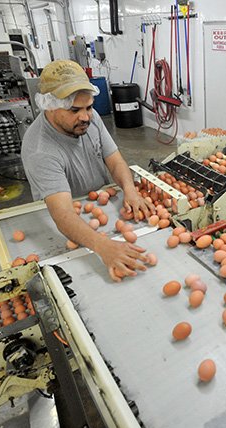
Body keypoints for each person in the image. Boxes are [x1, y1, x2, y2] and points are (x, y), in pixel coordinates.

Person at [21, 60, 155, 281]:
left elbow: (114, 160)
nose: (85, 117)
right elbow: (63, 217)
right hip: (69, 219)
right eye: (74, 110)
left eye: (89, 107)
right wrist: (103, 247)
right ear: (50, 106)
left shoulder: (87, 120)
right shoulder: (40, 150)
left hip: (99, 204)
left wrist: (130, 189)